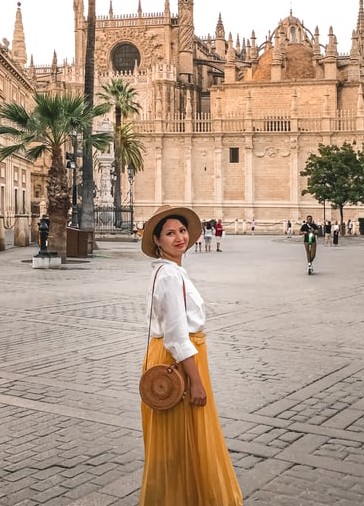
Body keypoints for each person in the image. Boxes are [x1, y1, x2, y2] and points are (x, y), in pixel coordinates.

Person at [139, 205, 243, 506]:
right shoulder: (170, 276)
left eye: (182, 231)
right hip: (179, 362)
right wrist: (196, 382)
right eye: (170, 233)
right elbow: (176, 335)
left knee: (178, 440)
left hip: (171, 356)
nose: (179, 237)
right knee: (184, 439)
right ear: (157, 241)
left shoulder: (168, 271)